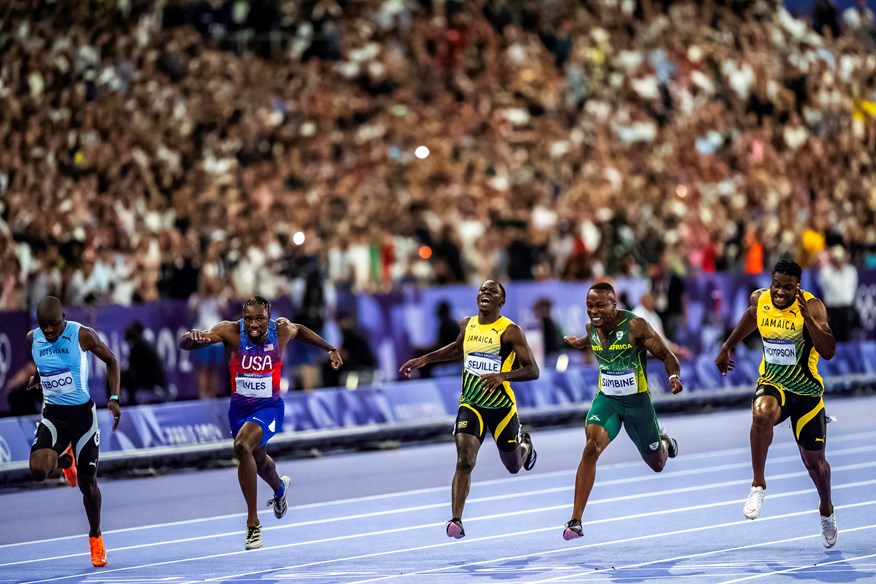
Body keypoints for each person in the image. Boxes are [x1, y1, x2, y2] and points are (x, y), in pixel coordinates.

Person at [179, 296, 343, 550]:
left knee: (242, 446)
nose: (253, 325)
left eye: (260, 319)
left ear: (269, 317)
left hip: (269, 408)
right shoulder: (229, 331)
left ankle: (253, 524)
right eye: (248, 319)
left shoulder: (282, 330)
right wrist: (192, 338)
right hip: (239, 410)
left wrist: (329, 348)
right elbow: (187, 345)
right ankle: (279, 488)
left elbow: (301, 331)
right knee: (260, 463)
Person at [399, 280, 539, 539]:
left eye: (492, 291)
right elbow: (456, 348)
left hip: (501, 408)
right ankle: (456, 520)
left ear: (501, 302)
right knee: (464, 460)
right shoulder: (467, 324)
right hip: (471, 404)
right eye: (482, 290)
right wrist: (425, 359)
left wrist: (503, 376)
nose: (485, 293)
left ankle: (525, 447)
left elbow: (533, 370)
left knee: (513, 466)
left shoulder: (510, 331)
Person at [715, 258, 838, 548]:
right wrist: (727, 346)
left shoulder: (813, 306)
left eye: (788, 288)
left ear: (798, 286)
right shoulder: (761, 299)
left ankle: (826, 509)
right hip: (774, 383)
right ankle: (758, 483)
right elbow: (749, 316)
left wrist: (808, 319)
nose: (780, 292)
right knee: (761, 414)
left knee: (815, 465)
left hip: (806, 393)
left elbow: (829, 351)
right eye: (776, 285)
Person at [561, 282, 683, 541]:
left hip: (638, 404)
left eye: (600, 306)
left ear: (614, 305)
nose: (594, 311)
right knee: (591, 447)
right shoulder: (591, 328)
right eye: (589, 306)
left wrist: (673, 376)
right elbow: (589, 339)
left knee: (657, 464)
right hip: (608, 401)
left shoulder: (635, 326)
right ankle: (576, 520)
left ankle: (664, 442)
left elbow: (666, 354)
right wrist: (579, 342)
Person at [27, 296, 121, 567]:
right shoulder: (33, 338)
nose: (48, 330)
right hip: (54, 416)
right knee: (37, 470)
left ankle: (95, 537)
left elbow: (112, 360)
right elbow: (41, 360)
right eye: (43, 325)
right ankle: (64, 458)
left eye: (53, 324)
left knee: (87, 484)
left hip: (82, 419)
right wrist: (38, 374)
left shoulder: (82, 335)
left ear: (63, 318)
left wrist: (114, 396)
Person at [120, 321, 172, 404]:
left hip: (150, 379)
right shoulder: (142, 344)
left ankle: (121, 402)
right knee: (125, 376)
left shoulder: (138, 346)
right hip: (153, 379)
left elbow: (133, 370)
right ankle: (129, 401)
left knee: (119, 376)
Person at [817, 245, 859, 343]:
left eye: (840, 259)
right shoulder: (825, 272)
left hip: (846, 308)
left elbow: (851, 290)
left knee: (847, 337)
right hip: (833, 309)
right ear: (832, 260)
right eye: (836, 259)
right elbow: (823, 288)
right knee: (834, 337)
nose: (838, 262)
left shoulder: (851, 271)